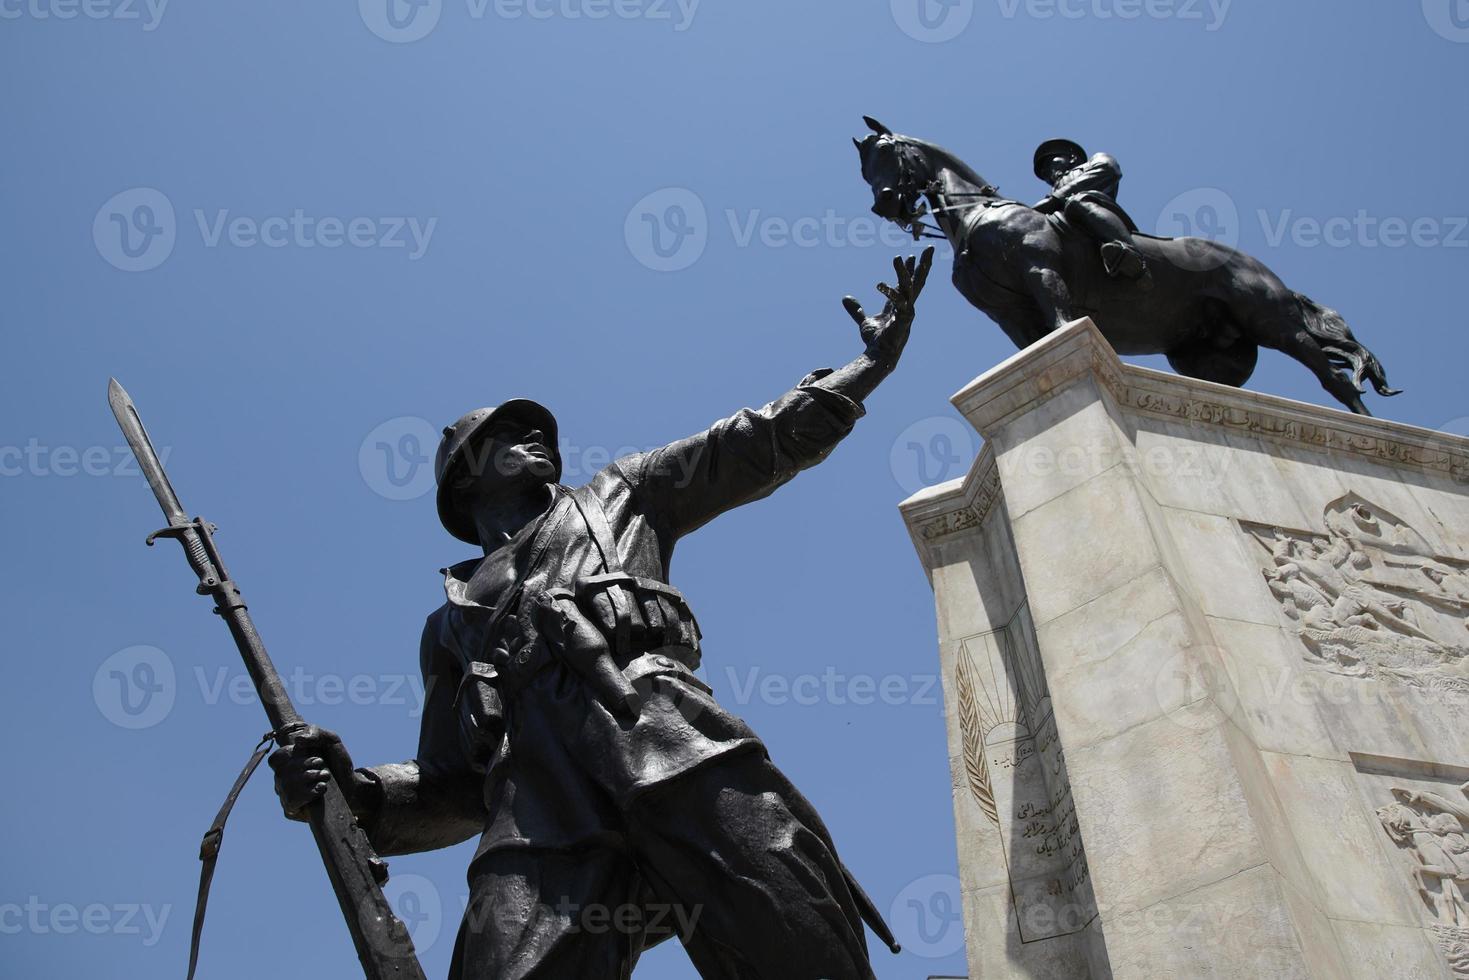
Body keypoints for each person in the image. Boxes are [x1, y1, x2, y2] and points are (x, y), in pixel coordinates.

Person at [269, 250, 934, 979]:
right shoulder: (448, 624)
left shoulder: (623, 495)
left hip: (672, 746)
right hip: (536, 810)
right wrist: (354, 793)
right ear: (465, 474)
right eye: (510, 433)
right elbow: (454, 783)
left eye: (541, 429)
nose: (538, 436)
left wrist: (868, 365)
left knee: (798, 939)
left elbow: (747, 444)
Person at [1032, 138, 1148, 280]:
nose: (1046, 171)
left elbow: (1109, 169)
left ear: (1072, 157)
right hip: (1070, 224)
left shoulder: (1094, 161)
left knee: (1077, 201)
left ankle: (1131, 254)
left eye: (1049, 161)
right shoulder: (1050, 195)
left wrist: (1056, 198)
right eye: (1043, 170)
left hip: (1096, 208)